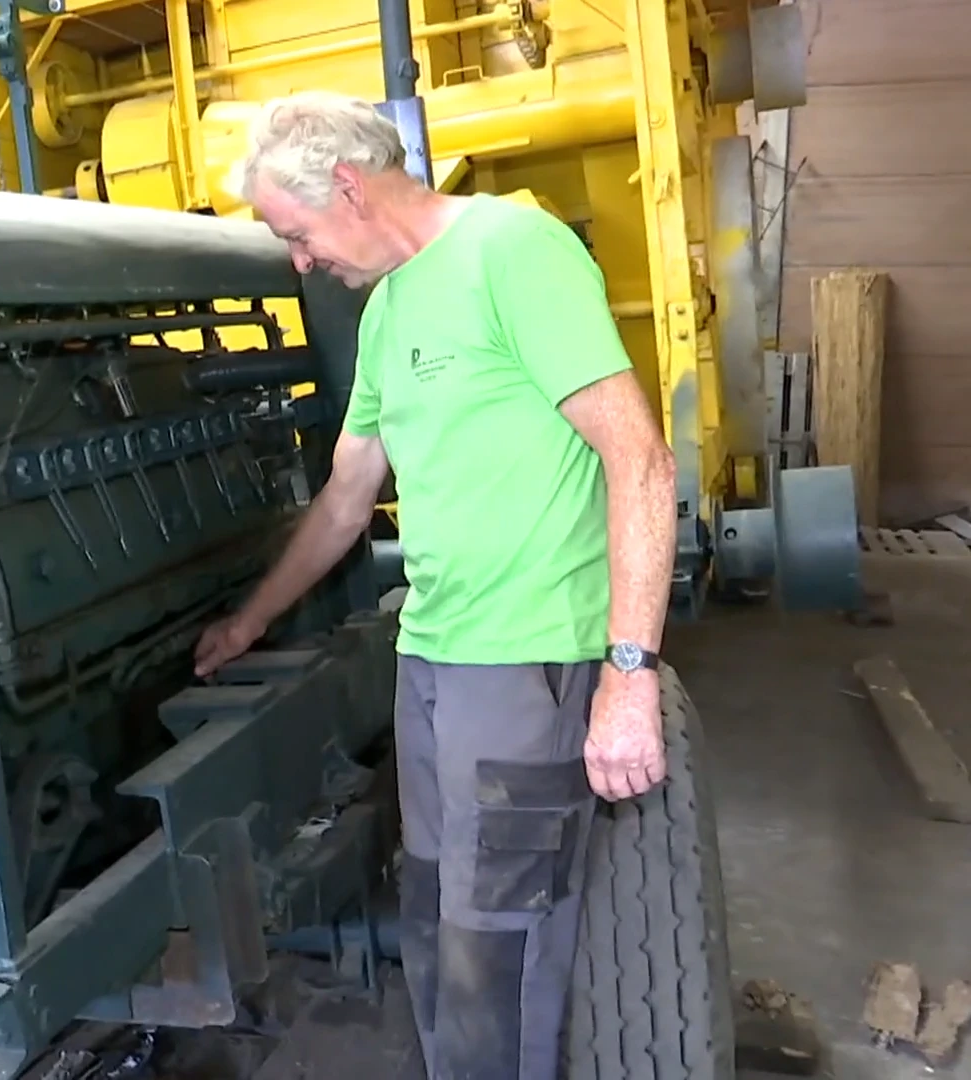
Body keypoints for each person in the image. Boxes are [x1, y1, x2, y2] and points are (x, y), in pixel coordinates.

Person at [191, 91, 679, 1079]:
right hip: (431, 657)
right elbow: (345, 498)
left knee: (499, 947)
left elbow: (640, 460)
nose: (299, 260)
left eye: (295, 233)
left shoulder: (515, 252)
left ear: (347, 185)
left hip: (525, 661)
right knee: (432, 911)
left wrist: (629, 677)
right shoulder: (389, 309)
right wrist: (249, 621)